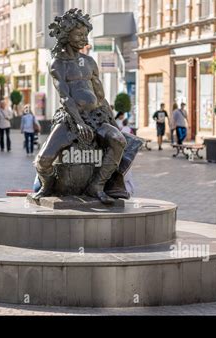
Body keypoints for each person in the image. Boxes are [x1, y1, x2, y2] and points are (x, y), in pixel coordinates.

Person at [32, 9, 143, 204]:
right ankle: (47, 185)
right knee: (44, 158)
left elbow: (101, 96)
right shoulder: (57, 64)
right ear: (66, 35)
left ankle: (97, 186)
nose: (84, 38)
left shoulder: (90, 62)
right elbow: (65, 97)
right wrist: (79, 122)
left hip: (97, 116)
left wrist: (113, 123)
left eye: (85, 34)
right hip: (70, 118)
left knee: (118, 140)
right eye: (79, 34)